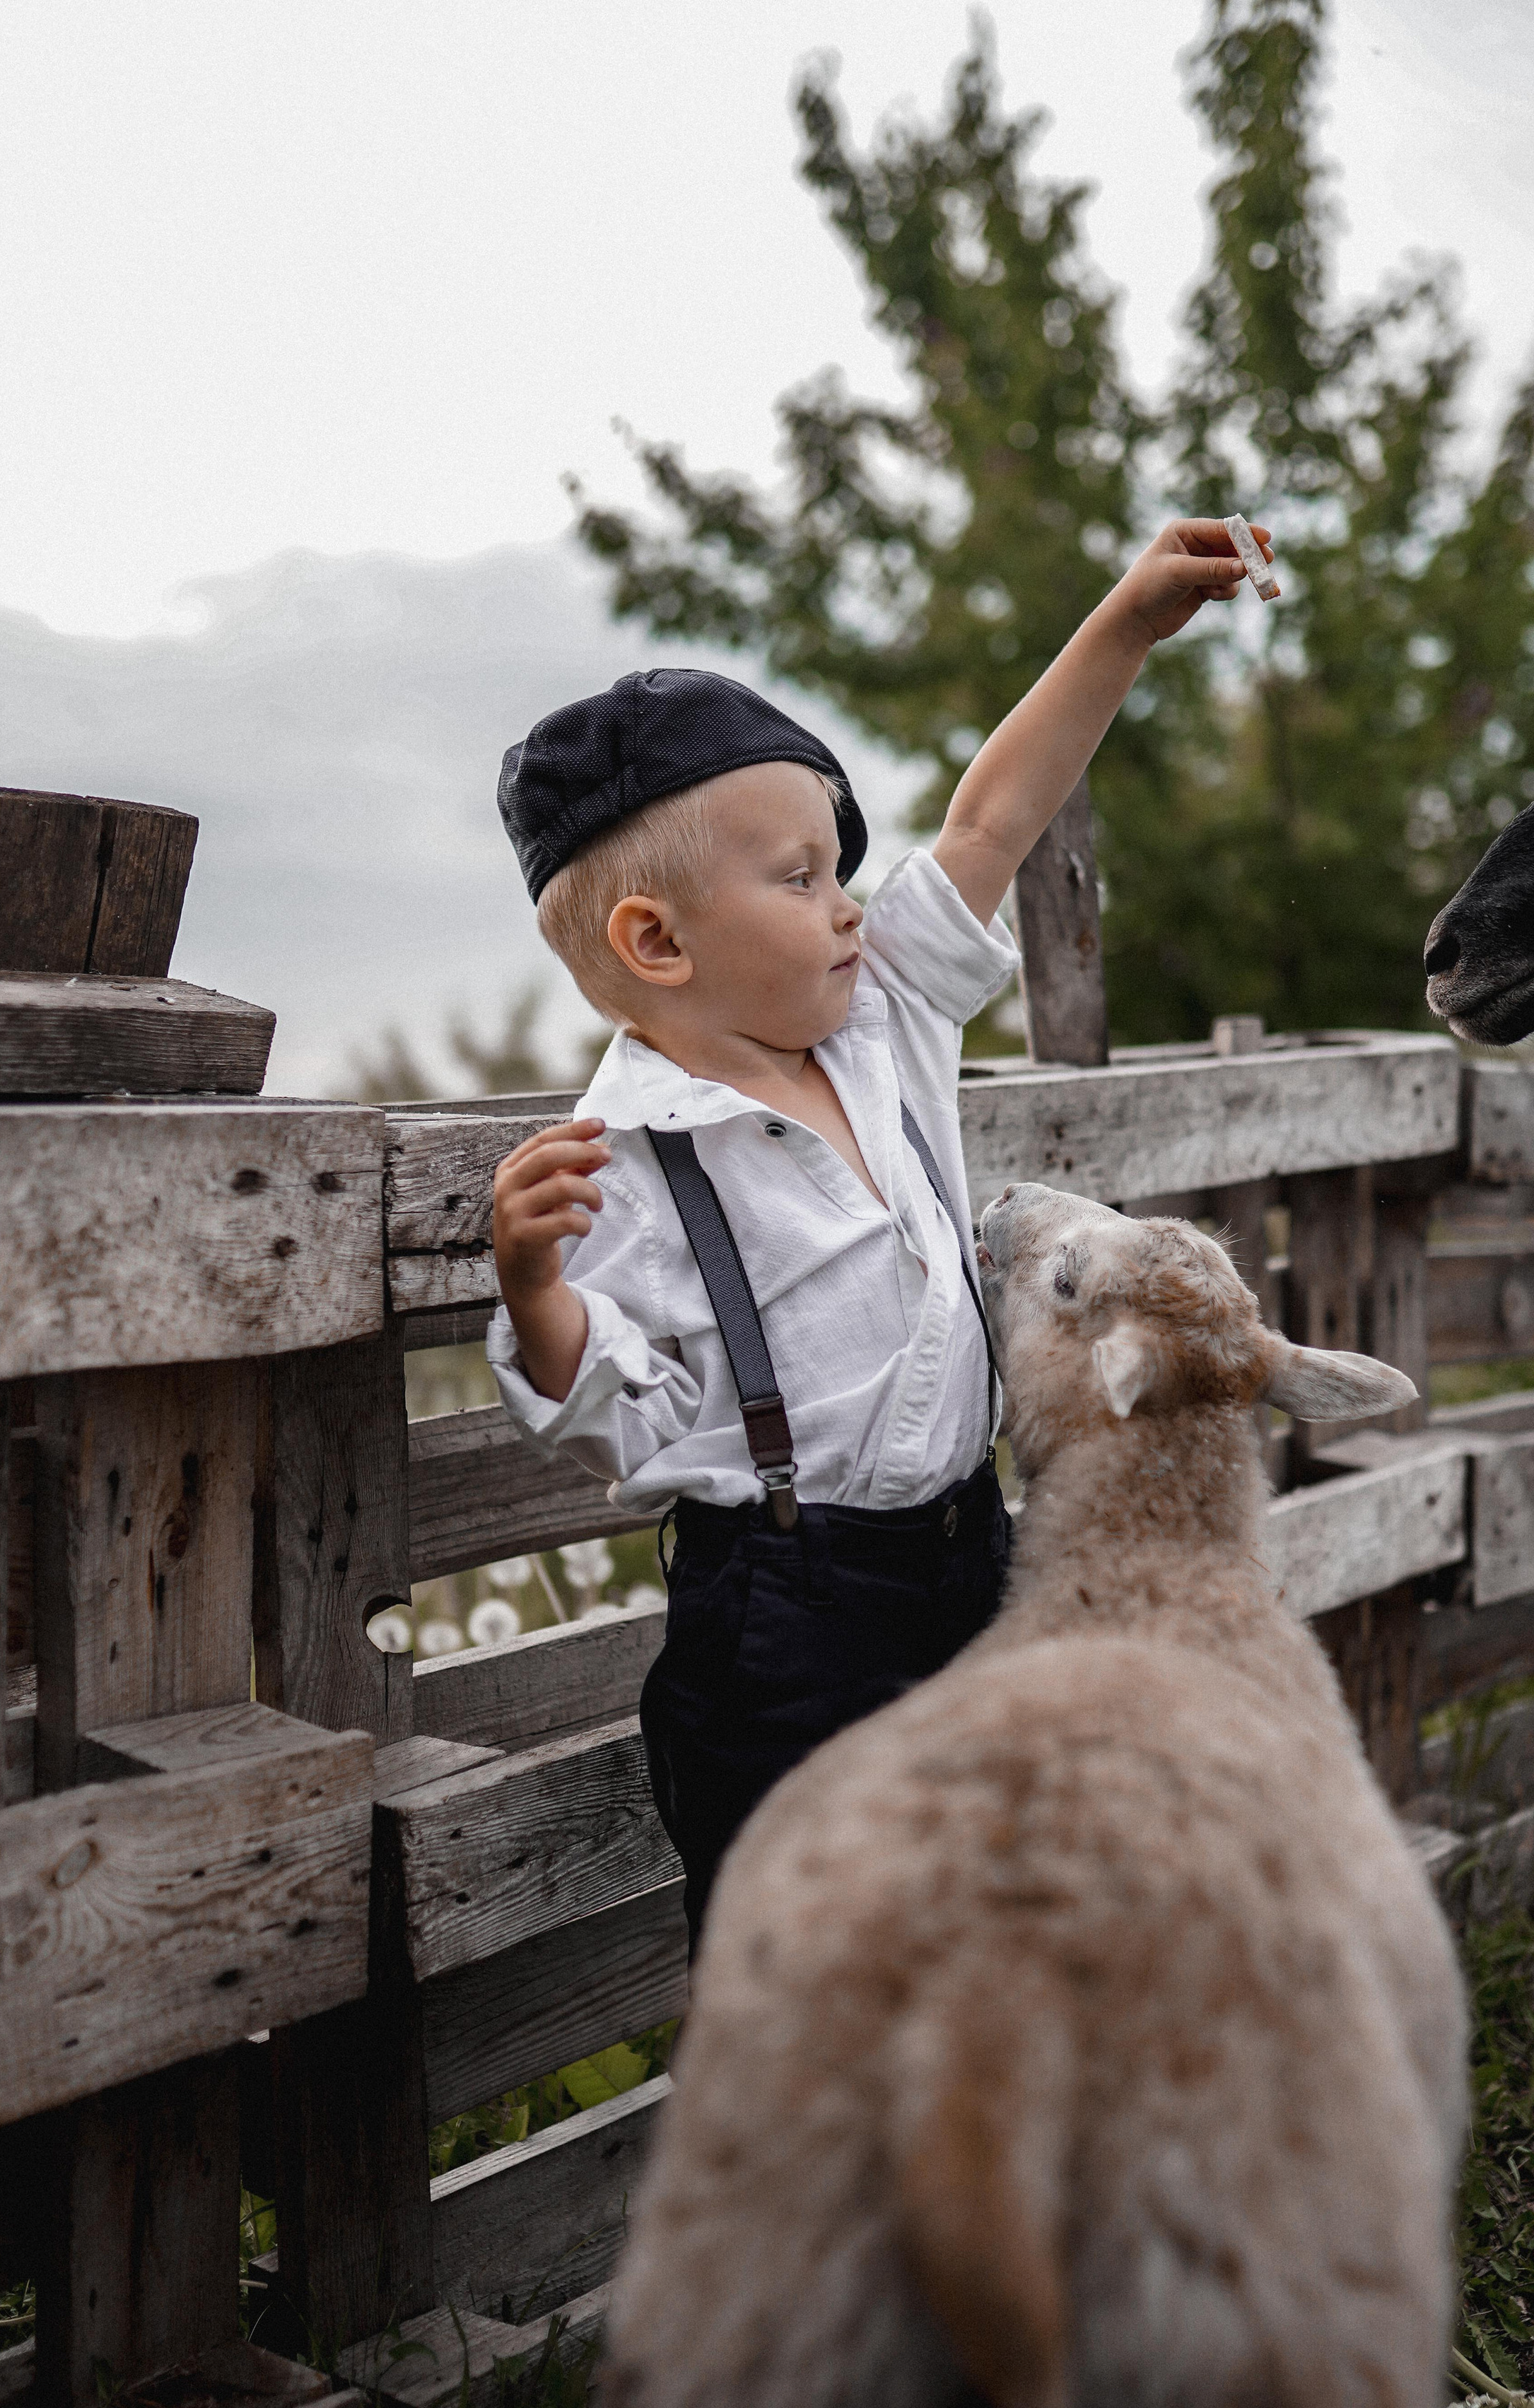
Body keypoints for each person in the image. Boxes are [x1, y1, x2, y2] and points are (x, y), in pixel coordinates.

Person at [488, 516, 1271, 1949]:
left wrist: (1126, 624)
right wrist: (530, 1276)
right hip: (782, 1622)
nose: (847, 908)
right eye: (798, 880)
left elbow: (988, 823)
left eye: (839, 868)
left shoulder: (879, 1024)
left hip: (970, 1560)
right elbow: (603, 1396)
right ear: (655, 945)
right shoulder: (635, 1158)